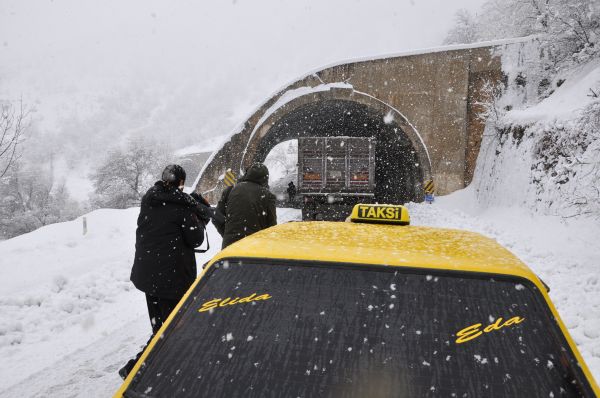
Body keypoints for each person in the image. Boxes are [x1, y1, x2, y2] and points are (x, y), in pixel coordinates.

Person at [119, 164, 209, 379]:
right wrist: (200, 216)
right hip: (173, 277)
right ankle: (137, 370)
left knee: (159, 325)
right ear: (181, 182)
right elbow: (195, 238)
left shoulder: (149, 198)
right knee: (170, 330)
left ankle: (157, 366)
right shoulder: (183, 206)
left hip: (148, 273)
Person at [214, 162, 277, 248]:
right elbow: (271, 229)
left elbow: (216, 217)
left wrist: (228, 234)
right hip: (255, 248)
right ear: (265, 178)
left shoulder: (230, 190)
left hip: (230, 248)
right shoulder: (268, 196)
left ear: (247, 174)